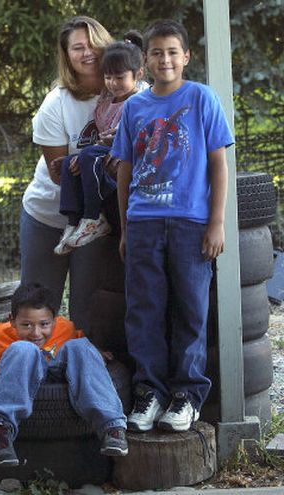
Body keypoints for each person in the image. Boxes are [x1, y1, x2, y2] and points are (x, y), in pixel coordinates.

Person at [112, 20, 234, 433]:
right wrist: (127, 227)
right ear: (145, 60)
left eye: (172, 52)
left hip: (190, 222)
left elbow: (219, 165)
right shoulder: (134, 107)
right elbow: (125, 170)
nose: (165, 59)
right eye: (157, 52)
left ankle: (187, 395)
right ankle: (150, 392)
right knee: (143, 310)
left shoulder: (201, 99)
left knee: (190, 309)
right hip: (144, 222)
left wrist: (216, 223)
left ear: (186, 57)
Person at [0, 283, 128, 466]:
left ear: (54, 321)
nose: (36, 333)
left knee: (81, 347)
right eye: (26, 325)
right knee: (24, 348)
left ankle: (112, 427)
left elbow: (81, 347)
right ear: (12, 321)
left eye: (44, 324)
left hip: (60, 373)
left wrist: (94, 354)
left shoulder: (65, 328)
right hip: (23, 373)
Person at [19, 16, 114, 332]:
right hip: (48, 215)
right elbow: (60, 174)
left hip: (96, 221)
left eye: (93, 44)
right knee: (37, 307)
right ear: (67, 56)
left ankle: (82, 373)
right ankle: (36, 375)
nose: (87, 53)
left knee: (88, 309)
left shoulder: (131, 90)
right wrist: (97, 157)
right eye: (78, 48)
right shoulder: (56, 104)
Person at [54, 35, 144, 255]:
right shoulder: (106, 101)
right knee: (66, 164)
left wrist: (105, 145)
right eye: (108, 77)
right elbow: (101, 135)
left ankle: (94, 217)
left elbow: (137, 137)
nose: (113, 83)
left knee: (87, 156)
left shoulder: (141, 100)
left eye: (119, 77)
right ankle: (74, 221)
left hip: (123, 156)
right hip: (103, 150)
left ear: (138, 74)